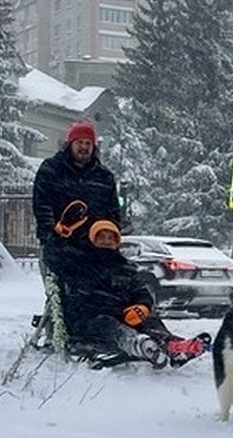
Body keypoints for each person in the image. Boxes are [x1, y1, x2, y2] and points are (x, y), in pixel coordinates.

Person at [32, 120, 207, 366]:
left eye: (88, 144)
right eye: (79, 143)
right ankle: (138, 344)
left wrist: (108, 238)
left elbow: (112, 213)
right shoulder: (52, 170)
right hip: (65, 248)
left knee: (146, 319)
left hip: (97, 245)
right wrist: (52, 235)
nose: (84, 148)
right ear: (70, 144)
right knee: (96, 315)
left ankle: (172, 344)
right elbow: (42, 207)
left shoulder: (103, 177)